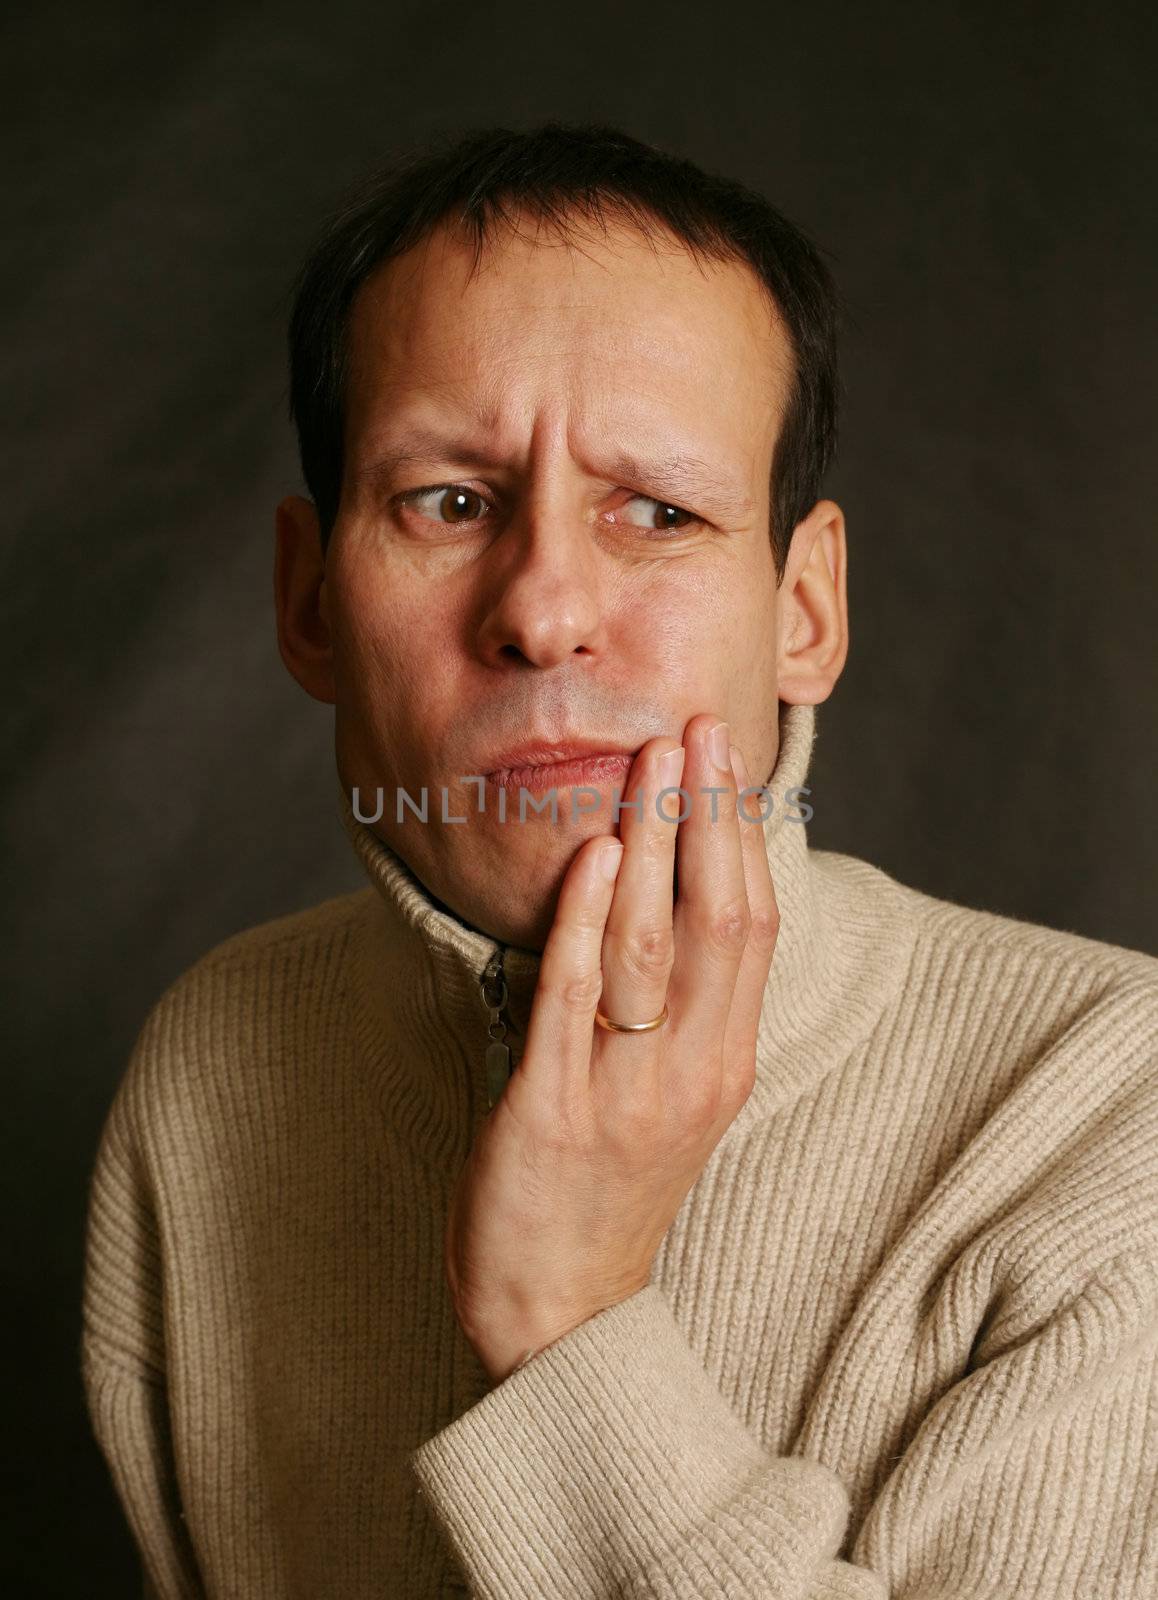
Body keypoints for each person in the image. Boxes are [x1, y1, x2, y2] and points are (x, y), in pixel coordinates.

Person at [81, 120, 1158, 1599]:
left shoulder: (1111, 1116)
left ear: (803, 610)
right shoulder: (212, 1063)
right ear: (310, 603)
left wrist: (571, 1317)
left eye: (656, 510)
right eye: (447, 502)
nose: (542, 609)